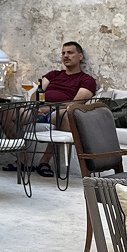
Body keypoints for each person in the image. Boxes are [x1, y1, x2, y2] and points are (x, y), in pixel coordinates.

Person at [32, 40, 97, 177]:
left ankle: (44, 161)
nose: (65, 56)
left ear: (80, 56)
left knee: (64, 115)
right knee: (7, 113)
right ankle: (21, 160)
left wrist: (49, 109)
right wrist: (36, 106)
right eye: (63, 53)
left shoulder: (86, 80)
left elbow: (76, 104)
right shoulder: (53, 74)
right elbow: (36, 94)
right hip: (39, 110)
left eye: (70, 53)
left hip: (58, 112)